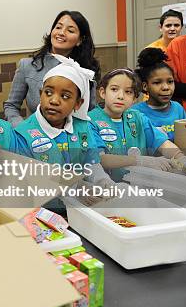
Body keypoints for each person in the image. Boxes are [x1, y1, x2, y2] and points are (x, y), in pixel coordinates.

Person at [13, 56, 113, 212]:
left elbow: (91, 163)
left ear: (78, 103)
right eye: (48, 92)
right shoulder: (23, 134)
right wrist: (75, 188)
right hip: (43, 213)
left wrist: (102, 180)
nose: (54, 100)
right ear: (40, 94)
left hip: (81, 211)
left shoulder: (83, 128)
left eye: (65, 96)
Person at [89, 69, 186, 181]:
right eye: (114, 89)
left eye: (128, 92)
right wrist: (140, 161)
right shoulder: (90, 120)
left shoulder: (137, 118)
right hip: (107, 188)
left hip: (140, 185)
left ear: (134, 99)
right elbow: (100, 159)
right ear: (103, 92)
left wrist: (180, 157)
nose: (121, 96)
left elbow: (162, 143)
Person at [4, 10, 101, 128]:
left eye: (70, 30)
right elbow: (11, 106)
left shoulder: (85, 70)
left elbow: (91, 110)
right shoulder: (28, 65)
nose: (61, 33)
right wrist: (23, 129)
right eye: (58, 27)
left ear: (80, 40)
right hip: (36, 138)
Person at [133, 48, 186, 142]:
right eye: (157, 83)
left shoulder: (178, 109)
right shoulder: (135, 113)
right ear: (145, 86)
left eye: (170, 81)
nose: (166, 87)